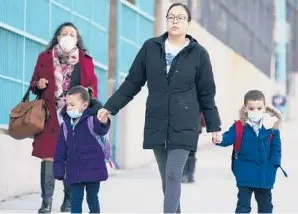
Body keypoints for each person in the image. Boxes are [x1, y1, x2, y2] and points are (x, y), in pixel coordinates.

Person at [97, 3, 221, 213]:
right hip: (157, 120)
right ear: (166, 20)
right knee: (167, 180)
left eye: (180, 18)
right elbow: (132, 82)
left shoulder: (199, 54)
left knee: (174, 175)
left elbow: (206, 92)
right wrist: (109, 107)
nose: (175, 21)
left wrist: (214, 125)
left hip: (184, 122)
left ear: (188, 24)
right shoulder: (150, 47)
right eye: (171, 17)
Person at [29, 22, 98, 213]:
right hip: (49, 116)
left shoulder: (85, 60)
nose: (67, 36)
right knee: (48, 156)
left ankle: (68, 200)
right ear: (57, 37)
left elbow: (93, 86)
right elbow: (33, 83)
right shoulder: (44, 58)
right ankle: (46, 202)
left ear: (77, 39)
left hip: (73, 118)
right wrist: (39, 84)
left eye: (72, 34)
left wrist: (88, 92)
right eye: (63, 33)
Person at [214, 90, 284, 213]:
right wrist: (220, 139)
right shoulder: (239, 126)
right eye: (251, 108)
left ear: (264, 107)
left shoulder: (271, 126)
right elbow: (228, 137)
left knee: (265, 206)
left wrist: (274, 165)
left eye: (259, 108)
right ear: (245, 108)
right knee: (243, 206)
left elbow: (276, 148)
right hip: (244, 172)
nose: (255, 111)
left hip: (265, 173)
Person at [53, 86, 110, 214]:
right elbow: (60, 151)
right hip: (75, 170)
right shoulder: (65, 126)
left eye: (72, 104)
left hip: (92, 169)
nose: (69, 108)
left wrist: (104, 122)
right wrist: (59, 170)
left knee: (92, 199)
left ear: (84, 105)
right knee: (75, 200)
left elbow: (102, 129)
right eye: (67, 105)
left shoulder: (92, 121)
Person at [182, 113, 206, 183]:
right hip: (194, 127)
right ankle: (189, 174)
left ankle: (186, 174)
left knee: (185, 151)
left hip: (185, 128)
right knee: (191, 152)